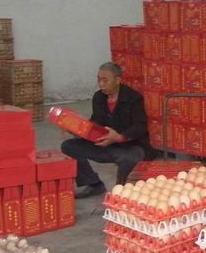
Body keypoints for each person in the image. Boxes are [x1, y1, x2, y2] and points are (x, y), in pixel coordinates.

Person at [61, 62, 149, 198]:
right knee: (68, 146)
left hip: (129, 145)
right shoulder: (99, 97)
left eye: (105, 80)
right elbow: (96, 123)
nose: (101, 84)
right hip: (104, 144)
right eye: (99, 80)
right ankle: (93, 184)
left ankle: (122, 194)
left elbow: (140, 126)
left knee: (130, 157)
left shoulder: (133, 98)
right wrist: (76, 128)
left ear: (117, 80)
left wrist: (119, 137)